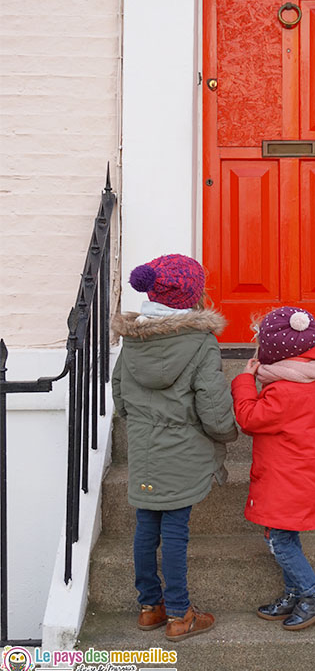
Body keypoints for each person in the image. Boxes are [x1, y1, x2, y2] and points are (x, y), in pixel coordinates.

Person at [111, 253, 238, 642]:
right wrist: (227, 433)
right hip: (183, 451)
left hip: (147, 449)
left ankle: (150, 607)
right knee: (176, 530)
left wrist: (140, 426)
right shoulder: (200, 344)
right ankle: (181, 614)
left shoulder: (134, 340)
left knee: (146, 525)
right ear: (193, 296)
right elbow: (213, 404)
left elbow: (119, 393)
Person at [231, 306, 315, 630]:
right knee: (284, 537)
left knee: (280, 541)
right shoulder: (306, 379)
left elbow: (250, 418)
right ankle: (294, 592)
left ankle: (313, 594)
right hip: (294, 475)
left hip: (287, 480)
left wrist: (244, 381)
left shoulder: (285, 390)